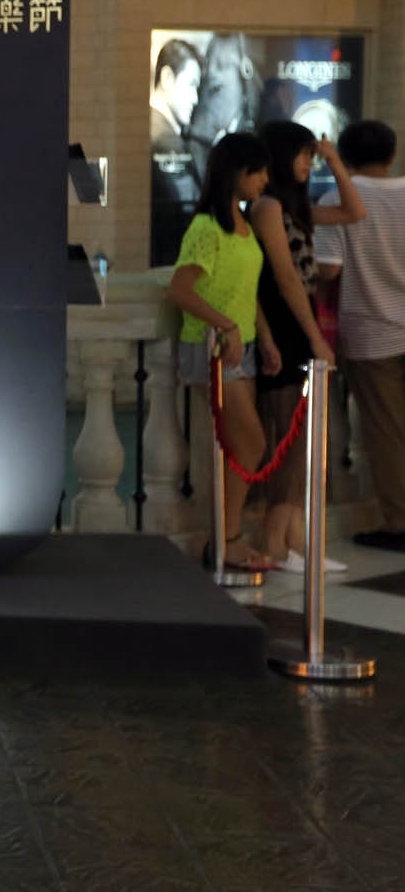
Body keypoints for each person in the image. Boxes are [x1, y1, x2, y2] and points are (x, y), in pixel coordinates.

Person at [251, 122, 364, 571]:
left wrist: (333, 160)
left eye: (310, 155)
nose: (308, 162)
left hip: (299, 322)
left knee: (303, 437)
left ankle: (294, 538)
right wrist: (316, 337)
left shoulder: (296, 207)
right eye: (302, 154)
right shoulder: (268, 206)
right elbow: (284, 277)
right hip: (285, 326)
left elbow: (354, 211)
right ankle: (275, 540)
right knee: (289, 435)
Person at [166, 131, 279, 572]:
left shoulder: (244, 227)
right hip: (212, 347)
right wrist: (227, 326)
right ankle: (226, 540)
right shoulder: (206, 228)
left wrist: (262, 336)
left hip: (240, 346)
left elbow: (245, 290)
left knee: (240, 448)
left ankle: (225, 538)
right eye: (258, 172)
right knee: (251, 444)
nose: (264, 180)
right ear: (236, 173)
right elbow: (181, 289)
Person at [315, 120, 405, 550]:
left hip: (373, 331)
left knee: (387, 433)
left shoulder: (338, 197)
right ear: (392, 155)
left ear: (345, 158)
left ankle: (399, 522)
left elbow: (329, 269)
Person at [150, 38, 206, 266]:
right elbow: (188, 206)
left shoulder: (156, 131)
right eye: (191, 84)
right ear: (166, 78)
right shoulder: (164, 140)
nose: (195, 98)